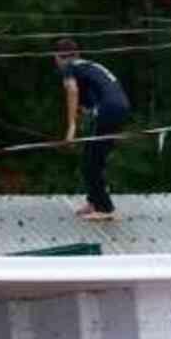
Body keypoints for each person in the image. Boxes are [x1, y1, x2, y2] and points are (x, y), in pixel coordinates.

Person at [53, 39, 130, 221]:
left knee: (91, 160)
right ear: (77, 53)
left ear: (57, 57)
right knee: (92, 155)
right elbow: (91, 98)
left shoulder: (69, 67)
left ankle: (105, 209)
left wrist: (71, 128)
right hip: (120, 107)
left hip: (108, 109)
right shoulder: (89, 66)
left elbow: (72, 91)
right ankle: (94, 201)